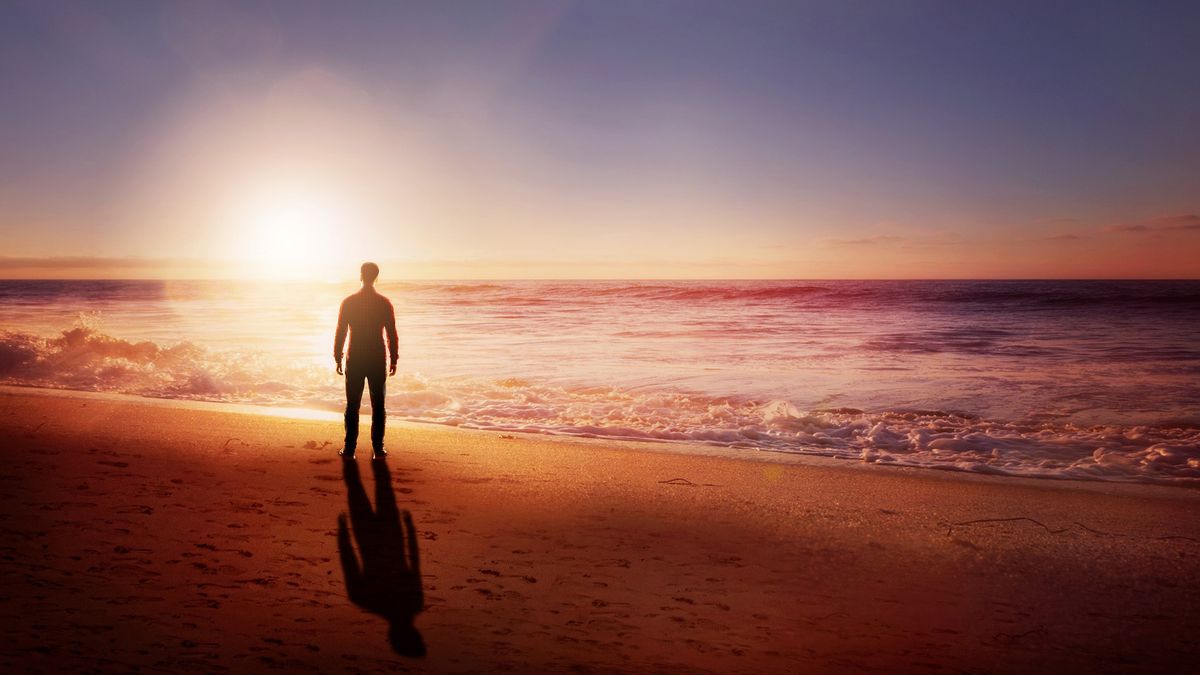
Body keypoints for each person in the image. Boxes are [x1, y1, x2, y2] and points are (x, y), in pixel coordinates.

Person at [334, 262, 398, 459]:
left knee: (352, 405)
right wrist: (394, 358)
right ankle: (378, 449)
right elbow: (391, 333)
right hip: (377, 359)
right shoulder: (384, 302)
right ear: (376, 277)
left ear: (361, 276)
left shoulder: (349, 302)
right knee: (379, 405)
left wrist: (338, 356)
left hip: (355, 358)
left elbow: (341, 331)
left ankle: (349, 450)